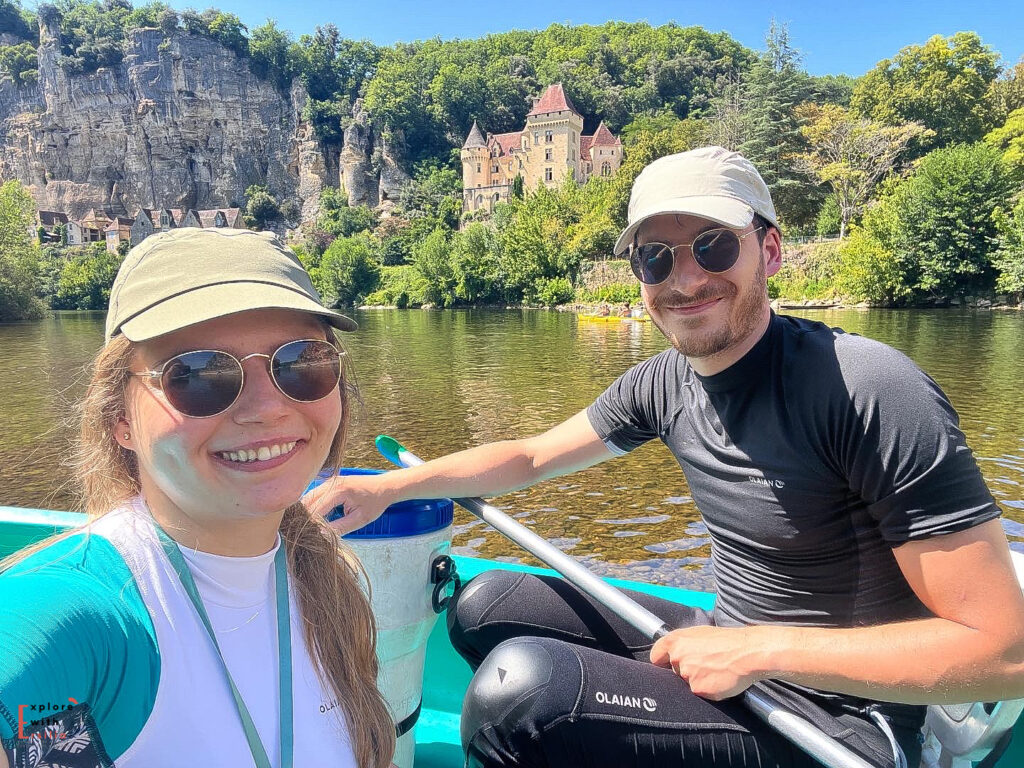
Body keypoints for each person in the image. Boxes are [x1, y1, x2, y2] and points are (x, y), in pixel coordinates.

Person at [307, 146, 1024, 768]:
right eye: (656, 258)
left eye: (713, 246)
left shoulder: (867, 388)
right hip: (732, 646)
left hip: (838, 722)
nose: (683, 281)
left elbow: (1003, 652)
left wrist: (761, 652)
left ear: (769, 251)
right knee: (486, 605)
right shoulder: (664, 382)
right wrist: (391, 489)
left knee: (520, 692)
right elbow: (529, 457)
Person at [0, 228, 396, 768]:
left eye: (301, 362)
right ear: (121, 419)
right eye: (199, 375)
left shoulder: (325, 577)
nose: (267, 408)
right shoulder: (87, 614)